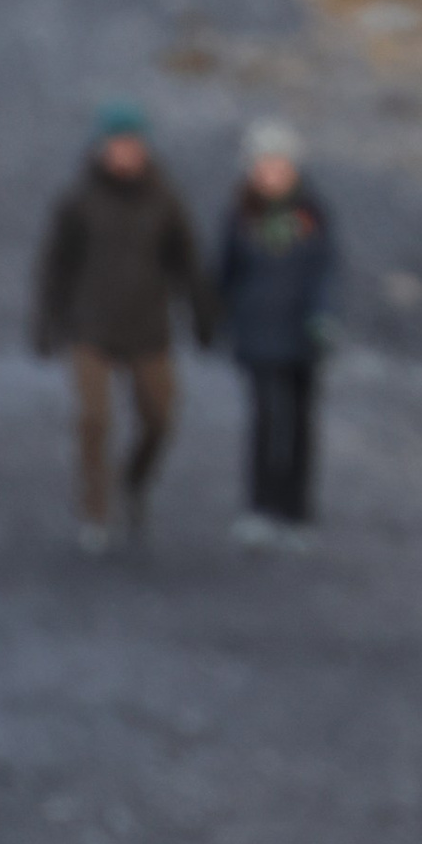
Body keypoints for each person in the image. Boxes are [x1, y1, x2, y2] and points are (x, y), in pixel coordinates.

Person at [34, 106, 216, 552]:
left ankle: (133, 482)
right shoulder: (78, 199)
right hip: (90, 329)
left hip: (148, 329)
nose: (124, 153)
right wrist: (47, 323)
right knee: (94, 420)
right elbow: (54, 266)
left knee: (159, 420)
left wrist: (202, 314)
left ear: (145, 147)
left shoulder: (165, 199)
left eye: (132, 144)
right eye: (116, 144)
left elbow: (187, 263)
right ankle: (97, 512)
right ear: (100, 147)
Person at [216, 118, 338, 545]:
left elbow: (325, 270)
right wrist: (216, 319)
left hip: (304, 336)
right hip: (258, 333)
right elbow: (225, 272)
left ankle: (297, 511)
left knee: (302, 423)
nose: (272, 172)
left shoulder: (313, 214)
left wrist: (323, 315)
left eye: (280, 164)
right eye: (264, 164)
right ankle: (260, 507)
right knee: (266, 418)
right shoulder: (239, 214)